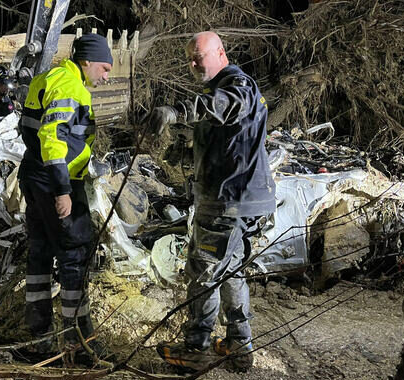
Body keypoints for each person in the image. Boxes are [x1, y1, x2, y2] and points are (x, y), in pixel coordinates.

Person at [148, 31, 276, 372]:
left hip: (229, 202)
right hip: (241, 199)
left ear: (220, 52)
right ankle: (239, 344)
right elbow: (229, 138)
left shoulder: (237, 86)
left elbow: (221, 106)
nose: (192, 64)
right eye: (189, 58)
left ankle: (196, 347)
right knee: (230, 270)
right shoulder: (224, 90)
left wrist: (176, 112)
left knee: (204, 270)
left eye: (198, 56)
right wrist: (186, 152)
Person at [17, 33, 112, 364]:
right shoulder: (71, 87)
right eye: (104, 67)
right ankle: (77, 342)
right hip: (56, 182)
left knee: (40, 254)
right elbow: (54, 137)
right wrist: (62, 190)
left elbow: (32, 129)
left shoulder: (49, 77)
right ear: (86, 62)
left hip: (33, 175)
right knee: (74, 256)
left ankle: (39, 336)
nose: (106, 75)